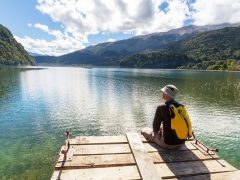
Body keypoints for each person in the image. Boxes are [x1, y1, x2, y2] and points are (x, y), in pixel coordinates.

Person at [141, 84, 185, 149]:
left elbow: (155, 128)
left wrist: (156, 133)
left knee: (145, 130)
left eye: (163, 92)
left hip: (168, 144)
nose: (161, 93)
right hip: (181, 143)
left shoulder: (161, 107)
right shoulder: (181, 106)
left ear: (166, 94)